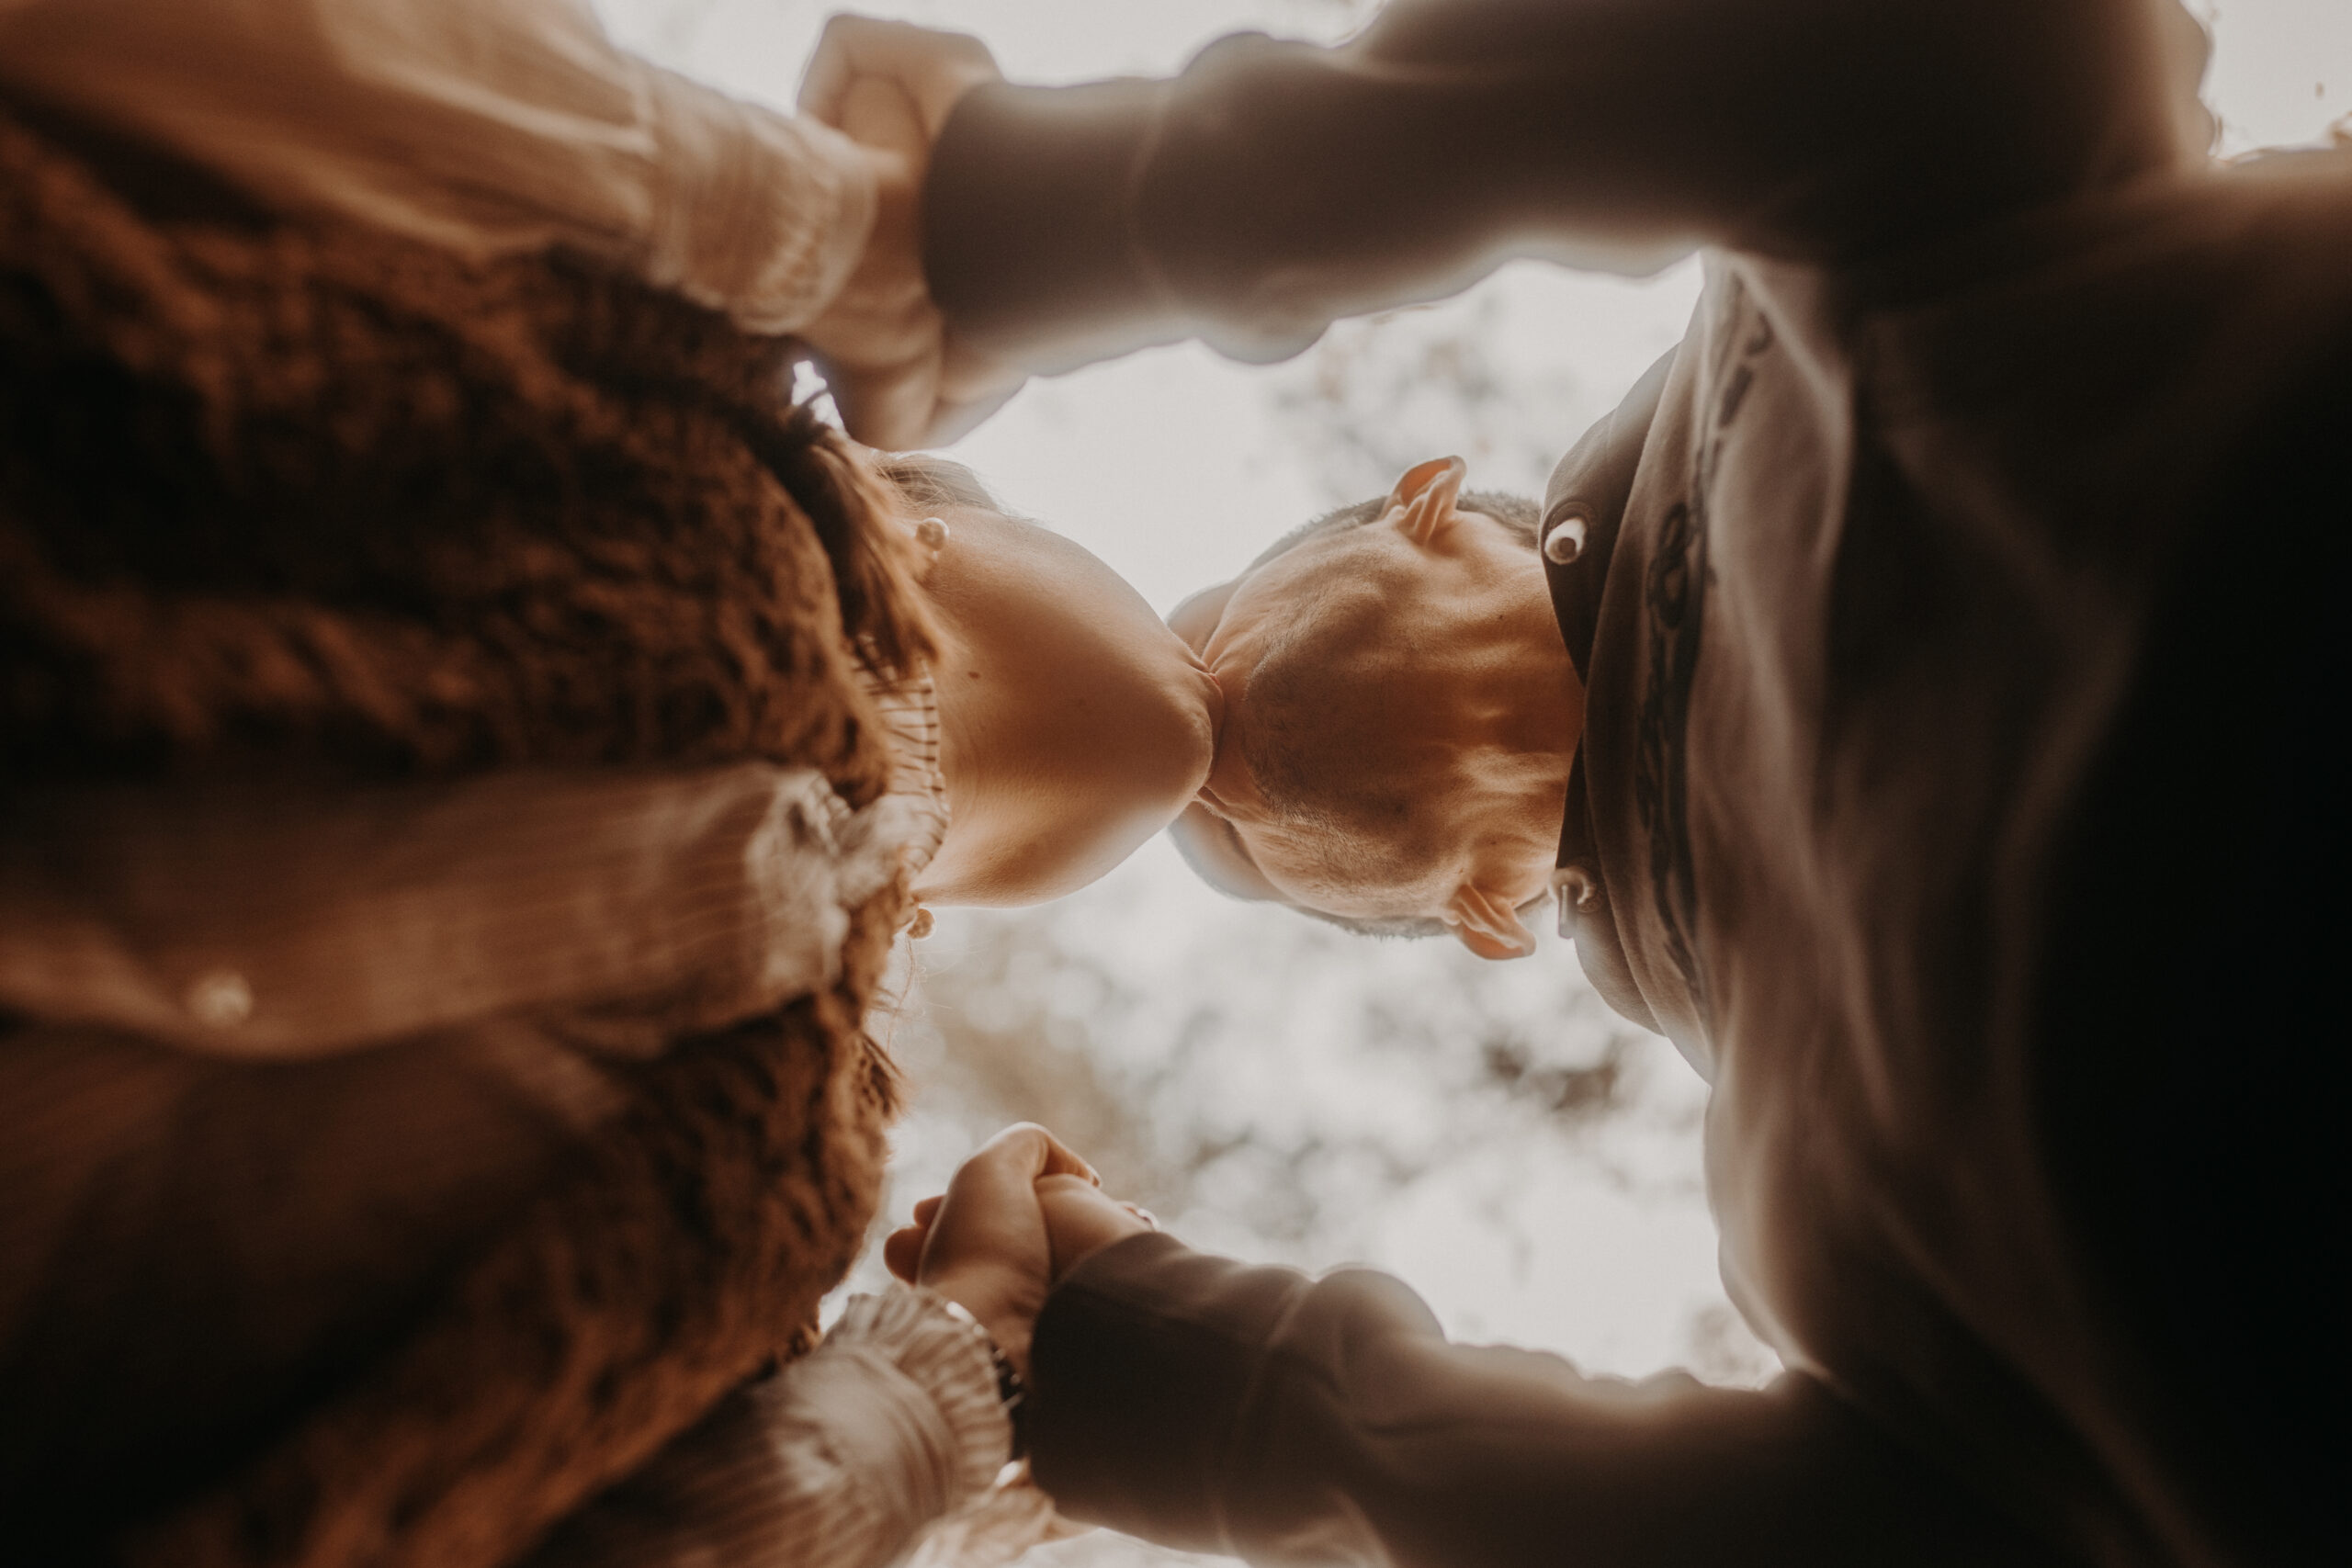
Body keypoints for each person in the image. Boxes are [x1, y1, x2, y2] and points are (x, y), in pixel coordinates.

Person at [809, 2, 2349, 1564]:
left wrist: (1042, 218)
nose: (1208, 800)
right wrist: (1152, 1377)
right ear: (1489, 915)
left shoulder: (1810, 294)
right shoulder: (1818, 1224)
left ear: (1419, 502)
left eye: (1207, 622)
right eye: (1245, 859)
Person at [0, 2, 1210, 1563]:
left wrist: (955, 1375)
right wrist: (862, 231)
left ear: (916, 931)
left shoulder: (755, 1220)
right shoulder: (616, 363)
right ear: (887, 490)